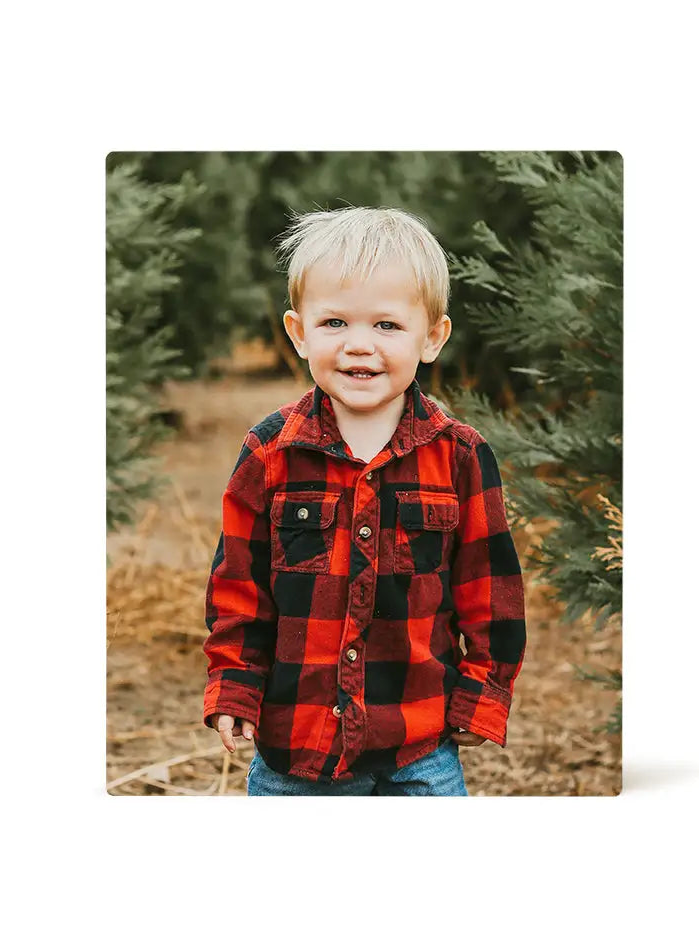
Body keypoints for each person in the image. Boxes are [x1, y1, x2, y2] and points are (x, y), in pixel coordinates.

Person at [202, 206, 526, 795]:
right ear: (298, 334)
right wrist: (234, 685)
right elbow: (239, 588)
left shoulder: (459, 457)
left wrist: (483, 693)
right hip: (295, 754)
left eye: (386, 326)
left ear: (432, 337)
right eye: (334, 324)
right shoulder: (271, 452)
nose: (358, 346)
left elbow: (489, 589)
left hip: (418, 751)